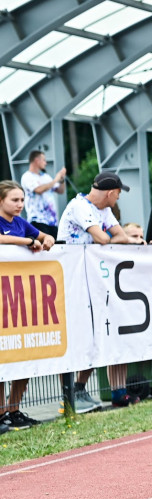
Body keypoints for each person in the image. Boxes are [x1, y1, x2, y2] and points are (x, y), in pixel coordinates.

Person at [57, 171, 145, 409]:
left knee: (97, 335)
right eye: (118, 193)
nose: (118, 198)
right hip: (71, 280)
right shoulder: (79, 206)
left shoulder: (104, 211)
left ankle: (81, 389)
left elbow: (120, 235)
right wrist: (117, 239)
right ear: (109, 192)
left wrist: (121, 239)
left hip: (92, 280)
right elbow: (103, 239)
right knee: (80, 336)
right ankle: (72, 392)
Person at [0, 180, 57, 430]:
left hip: (23, 301)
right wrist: (26, 242)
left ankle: (14, 410)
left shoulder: (21, 223)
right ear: (1, 201)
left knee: (23, 357)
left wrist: (48, 239)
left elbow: (42, 235)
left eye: (22, 200)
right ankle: (1, 413)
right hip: (4, 299)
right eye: (14, 200)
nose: (20, 205)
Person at [20, 150, 66, 238]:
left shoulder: (46, 177)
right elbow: (38, 190)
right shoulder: (27, 176)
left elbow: (60, 190)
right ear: (37, 160)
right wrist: (55, 179)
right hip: (37, 220)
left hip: (52, 221)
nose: (46, 163)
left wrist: (61, 179)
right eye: (44, 160)